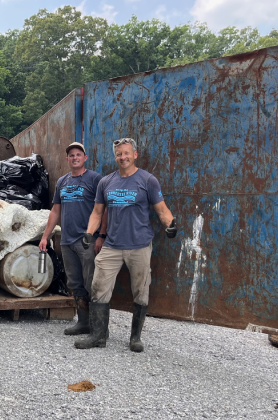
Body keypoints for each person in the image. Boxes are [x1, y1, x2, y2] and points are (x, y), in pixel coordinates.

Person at [74, 137, 177, 353]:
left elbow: (161, 209)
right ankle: (98, 335)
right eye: (119, 154)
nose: (123, 157)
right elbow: (97, 212)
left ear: (135, 155)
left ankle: (135, 338)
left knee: (140, 290)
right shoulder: (106, 182)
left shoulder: (148, 181)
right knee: (98, 287)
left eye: (127, 153)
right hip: (112, 245)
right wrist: (89, 233)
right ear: (115, 156)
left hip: (139, 245)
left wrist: (170, 225)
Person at [39, 142, 103, 336]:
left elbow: (103, 210)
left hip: (87, 241)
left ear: (85, 158)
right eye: (71, 155)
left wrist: (101, 236)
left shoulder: (95, 179)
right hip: (67, 241)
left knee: (92, 282)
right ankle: (83, 322)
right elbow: (55, 211)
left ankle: (98, 327)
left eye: (78, 154)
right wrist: (45, 236)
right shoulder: (62, 182)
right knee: (75, 282)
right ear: (67, 159)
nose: (75, 158)